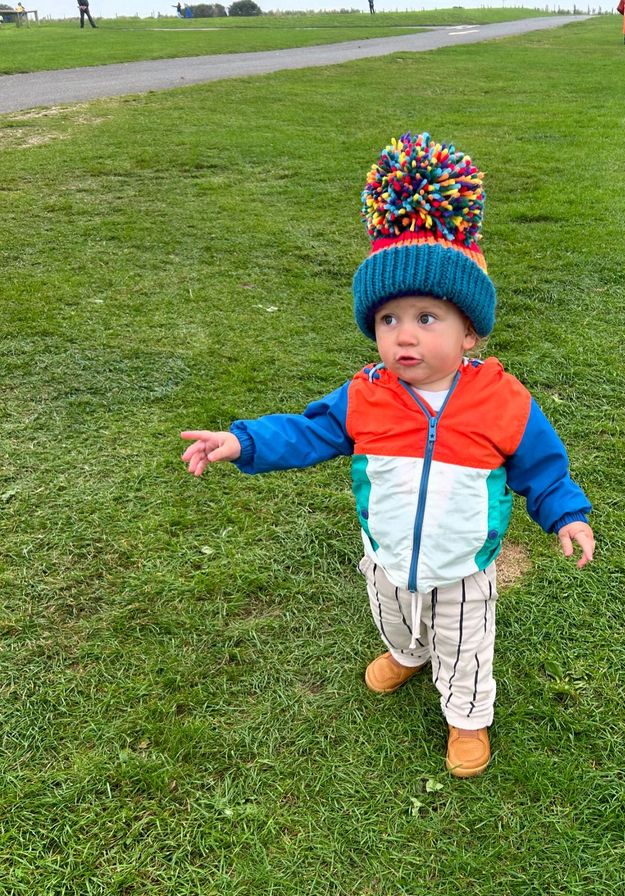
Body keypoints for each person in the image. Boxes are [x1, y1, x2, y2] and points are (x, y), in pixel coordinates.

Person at [179, 132, 595, 779]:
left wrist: (566, 512)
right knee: (395, 619)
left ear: (469, 330)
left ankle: (466, 715)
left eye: (427, 317)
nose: (404, 334)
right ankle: (407, 652)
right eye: (388, 319)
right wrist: (244, 442)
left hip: (464, 564)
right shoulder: (364, 397)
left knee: (465, 645)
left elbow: (541, 467)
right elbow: (308, 431)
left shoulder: (501, 400)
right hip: (387, 555)